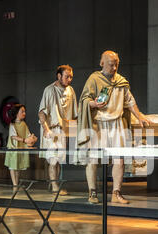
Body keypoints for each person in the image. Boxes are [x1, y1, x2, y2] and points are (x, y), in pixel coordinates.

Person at [77, 50, 151, 205]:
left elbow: (130, 101)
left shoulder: (121, 81)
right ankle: (92, 192)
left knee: (120, 159)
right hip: (99, 123)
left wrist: (140, 116)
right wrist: (94, 104)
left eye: (116, 64)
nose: (114, 67)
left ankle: (116, 193)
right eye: (111, 64)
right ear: (102, 63)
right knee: (93, 158)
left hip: (117, 123)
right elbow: (85, 99)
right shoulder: (94, 79)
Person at [38, 65, 78, 196]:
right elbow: (42, 112)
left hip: (64, 130)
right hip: (52, 129)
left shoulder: (70, 91)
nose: (69, 79)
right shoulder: (49, 90)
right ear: (59, 76)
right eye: (67, 76)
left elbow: (75, 114)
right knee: (53, 159)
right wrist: (46, 129)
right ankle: (55, 185)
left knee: (59, 159)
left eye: (71, 76)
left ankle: (54, 183)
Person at [4, 104, 38, 188]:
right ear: (16, 113)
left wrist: (32, 138)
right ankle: (14, 184)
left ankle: (16, 183)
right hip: (13, 148)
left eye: (24, 111)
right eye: (22, 111)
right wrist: (24, 140)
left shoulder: (23, 124)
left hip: (20, 148)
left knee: (18, 166)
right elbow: (13, 136)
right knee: (12, 166)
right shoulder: (12, 124)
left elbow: (28, 135)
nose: (24, 113)